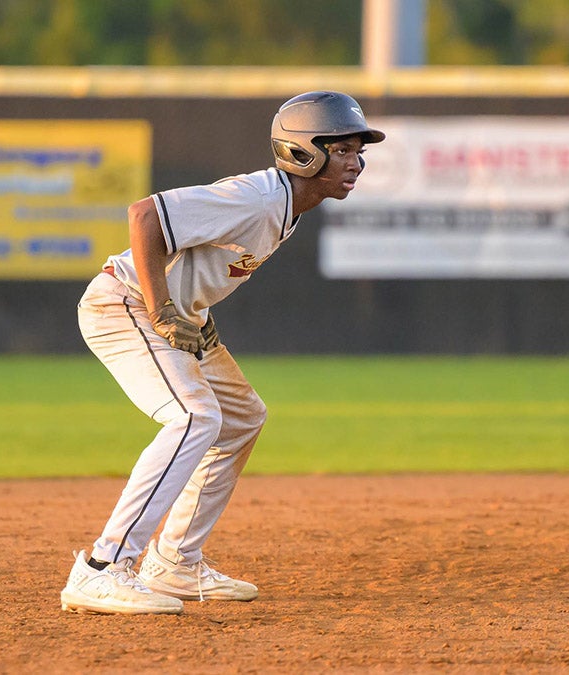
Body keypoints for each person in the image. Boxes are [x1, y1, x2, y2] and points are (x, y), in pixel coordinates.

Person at [60, 91, 385, 614]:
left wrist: (189, 317)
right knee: (194, 417)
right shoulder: (256, 198)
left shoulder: (287, 205)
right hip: (123, 305)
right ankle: (102, 568)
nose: (357, 162)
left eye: (358, 151)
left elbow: (195, 267)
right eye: (343, 150)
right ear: (305, 153)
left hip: (181, 316)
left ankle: (174, 565)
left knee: (240, 418)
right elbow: (145, 216)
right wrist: (163, 308)